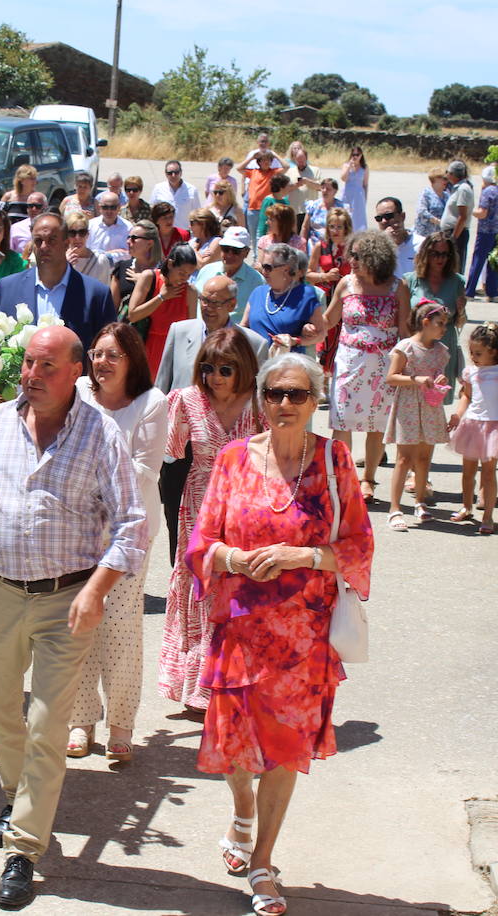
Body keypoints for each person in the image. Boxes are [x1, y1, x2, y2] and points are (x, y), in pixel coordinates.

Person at [0, 325, 147, 909]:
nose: (31, 375)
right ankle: (15, 799)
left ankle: (24, 849)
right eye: (27, 363)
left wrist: (97, 589)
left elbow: (132, 523)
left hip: (66, 601)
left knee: (47, 726)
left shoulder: (100, 434)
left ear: (76, 371)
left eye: (46, 366)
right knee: (1, 713)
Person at [187, 353, 373, 916]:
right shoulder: (233, 460)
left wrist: (304, 553)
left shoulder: (332, 459)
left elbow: (360, 544)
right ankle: (242, 809)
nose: (284, 405)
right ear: (260, 400)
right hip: (243, 630)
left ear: (316, 399)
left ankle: (264, 862)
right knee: (240, 755)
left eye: (296, 394)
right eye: (273, 394)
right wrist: (237, 560)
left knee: (285, 751)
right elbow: (202, 542)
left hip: (305, 635)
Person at [69, 322, 169, 761]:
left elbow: (144, 472)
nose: (101, 362)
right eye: (96, 353)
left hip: (129, 533)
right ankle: (80, 721)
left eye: (113, 355)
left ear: (132, 360)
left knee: (121, 628)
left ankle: (122, 726)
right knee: (78, 625)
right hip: (76, 531)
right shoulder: (78, 393)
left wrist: (85, 463)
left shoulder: (151, 403)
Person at [160, 328, 264, 712]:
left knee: (240, 588)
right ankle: (198, 686)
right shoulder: (187, 400)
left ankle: (237, 679)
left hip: (248, 504)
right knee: (198, 590)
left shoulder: (259, 403)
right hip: (200, 502)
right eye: (207, 368)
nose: (215, 377)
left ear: (244, 368)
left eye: (225, 368)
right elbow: (171, 450)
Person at [325, 230, 411, 503]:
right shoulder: (346, 284)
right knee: (341, 422)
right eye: (351, 253)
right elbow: (328, 320)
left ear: (377, 257)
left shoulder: (398, 287)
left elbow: (406, 332)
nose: (352, 259)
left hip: (382, 367)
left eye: (359, 255)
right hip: (348, 364)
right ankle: (344, 479)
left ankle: (368, 480)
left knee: (377, 425)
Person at [0, 212, 118, 349]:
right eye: (38, 240)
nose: (44, 247)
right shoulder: (8, 288)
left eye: (51, 240)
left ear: (66, 243)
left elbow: (107, 348)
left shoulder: (97, 295)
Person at [446, 322, 498, 534]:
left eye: (478, 352)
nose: (473, 356)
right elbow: (467, 395)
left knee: (488, 473)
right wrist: (457, 415)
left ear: (494, 351)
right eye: (471, 352)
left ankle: (488, 514)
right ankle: (466, 506)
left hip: (493, 426)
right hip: (472, 424)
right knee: (467, 472)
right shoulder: (470, 372)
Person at [384, 300, 451, 531]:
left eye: (445, 324)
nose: (443, 328)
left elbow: (439, 375)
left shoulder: (441, 351)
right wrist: (416, 380)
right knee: (404, 458)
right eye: (439, 323)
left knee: (424, 458)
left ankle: (420, 501)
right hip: (409, 407)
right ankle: (394, 508)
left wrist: (441, 380)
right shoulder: (406, 347)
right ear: (425, 322)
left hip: (430, 406)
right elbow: (391, 377)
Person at [405, 232, 467, 404]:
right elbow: (403, 318)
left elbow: (459, 322)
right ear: (426, 254)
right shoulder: (411, 281)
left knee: (436, 399)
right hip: (416, 348)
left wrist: (461, 310)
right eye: (435, 254)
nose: (440, 259)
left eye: (444, 254)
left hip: (443, 347)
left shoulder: (457, 282)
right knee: (412, 398)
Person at [127, 242, 198, 377]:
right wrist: (161, 297)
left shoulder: (190, 292)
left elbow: (191, 330)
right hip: (145, 346)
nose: (184, 279)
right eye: (181, 273)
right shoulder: (149, 277)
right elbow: (133, 315)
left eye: (189, 275)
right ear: (170, 264)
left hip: (174, 352)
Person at [241, 244, 326, 355]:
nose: (263, 271)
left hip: (286, 366)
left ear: (285, 269)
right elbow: (244, 326)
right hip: (255, 363)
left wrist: (296, 341)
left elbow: (321, 334)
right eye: (262, 267)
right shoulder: (258, 292)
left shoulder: (305, 294)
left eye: (268, 267)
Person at [306, 208, 355, 380]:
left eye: (339, 227)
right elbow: (308, 274)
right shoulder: (321, 247)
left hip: (347, 299)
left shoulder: (352, 248)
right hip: (326, 299)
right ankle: (325, 380)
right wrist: (324, 276)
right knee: (326, 339)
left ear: (346, 228)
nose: (335, 231)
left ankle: (340, 377)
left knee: (342, 339)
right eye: (332, 226)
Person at [192, 226, 266, 321]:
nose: (229, 255)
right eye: (226, 249)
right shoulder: (206, 271)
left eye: (236, 251)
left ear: (246, 253)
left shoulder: (257, 281)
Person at [466, 165, 498, 301]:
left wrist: (469, 211)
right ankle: (492, 293)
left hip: (485, 231)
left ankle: (470, 291)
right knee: (493, 262)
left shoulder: (487, 192)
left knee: (478, 261)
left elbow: (482, 213)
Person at [108, 219, 160, 325]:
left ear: (149, 243)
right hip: (126, 332)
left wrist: (144, 282)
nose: (128, 242)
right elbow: (112, 308)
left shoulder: (163, 271)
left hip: (156, 333)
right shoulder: (122, 268)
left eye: (134, 238)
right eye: (128, 237)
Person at [240, 150, 283, 254]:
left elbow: (286, 167)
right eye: (263, 160)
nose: (266, 162)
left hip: (267, 209)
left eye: (268, 160)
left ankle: (267, 255)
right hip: (253, 209)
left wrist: (276, 155)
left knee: (268, 235)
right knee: (254, 236)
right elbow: (239, 168)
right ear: (259, 162)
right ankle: (256, 257)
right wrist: (251, 158)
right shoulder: (253, 171)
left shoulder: (273, 172)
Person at [440, 160, 475, 270]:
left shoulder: (463, 189)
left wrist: (453, 238)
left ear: (452, 174)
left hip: (456, 233)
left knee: (455, 266)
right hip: (451, 232)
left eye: (448, 172)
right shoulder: (456, 188)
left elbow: (463, 216)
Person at [63, 210, 114, 285]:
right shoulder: (58, 260)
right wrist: (64, 266)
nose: (77, 237)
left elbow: (104, 292)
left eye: (82, 232)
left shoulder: (100, 260)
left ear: (87, 234)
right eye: (72, 233)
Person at [152, 159, 201, 230]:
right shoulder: (158, 188)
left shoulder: (192, 190)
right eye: (170, 173)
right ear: (165, 174)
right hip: (163, 233)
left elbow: (197, 214)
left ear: (181, 173)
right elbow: (153, 211)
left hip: (185, 233)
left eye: (176, 172)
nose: (173, 175)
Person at [375, 197, 416, 278]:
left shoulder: (421, 245)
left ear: (402, 216)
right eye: (379, 218)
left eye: (388, 216)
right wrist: (384, 242)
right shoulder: (374, 248)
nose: (383, 221)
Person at [285, 141, 320, 231]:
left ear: (306, 159)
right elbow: (285, 189)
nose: (300, 162)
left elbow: (320, 187)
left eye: (302, 160)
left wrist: (307, 182)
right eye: (298, 160)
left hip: (309, 211)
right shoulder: (290, 171)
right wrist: (296, 185)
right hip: (295, 211)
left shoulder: (315, 170)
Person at [302, 177, 347, 244]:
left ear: (335, 191)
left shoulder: (341, 207)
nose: (325, 190)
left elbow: (347, 229)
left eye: (328, 189)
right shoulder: (313, 206)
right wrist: (303, 244)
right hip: (313, 244)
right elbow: (305, 227)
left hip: (334, 245)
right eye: (323, 188)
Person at [412, 169, 449, 246]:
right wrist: (436, 220)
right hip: (425, 234)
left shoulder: (447, 195)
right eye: (444, 179)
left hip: (441, 234)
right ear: (435, 180)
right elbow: (421, 211)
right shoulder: (426, 193)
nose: (446, 181)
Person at [339, 146, 370, 229]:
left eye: (357, 154)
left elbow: (365, 184)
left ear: (361, 155)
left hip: (359, 195)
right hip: (347, 194)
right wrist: (349, 167)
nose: (355, 157)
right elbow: (343, 178)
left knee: (358, 216)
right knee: (346, 214)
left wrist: (365, 198)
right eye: (353, 154)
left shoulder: (365, 167)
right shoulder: (346, 165)